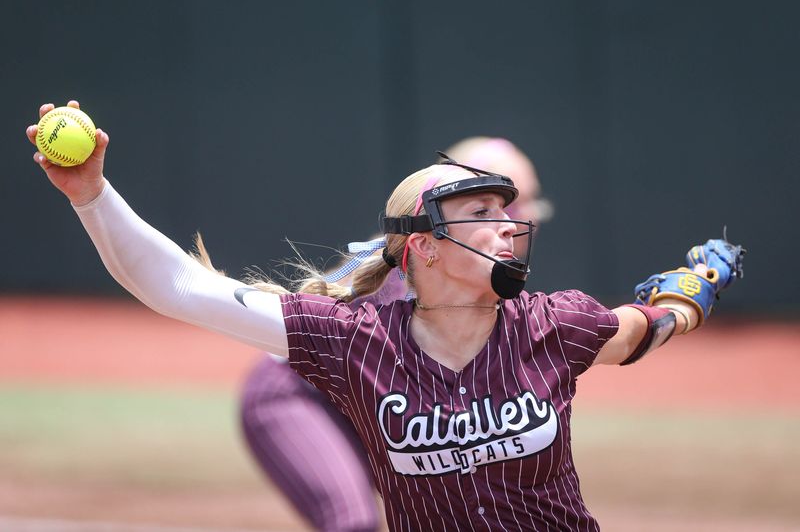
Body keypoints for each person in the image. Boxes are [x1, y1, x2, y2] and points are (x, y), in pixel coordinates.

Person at [26, 101, 744, 532]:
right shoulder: (352, 339)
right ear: (425, 249)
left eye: (510, 209)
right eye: (483, 212)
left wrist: (683, 298)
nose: (509, 224)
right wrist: (91, 194)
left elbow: (638, 329)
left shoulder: (555, 321)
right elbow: (176, 283)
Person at [238, 136, 551, 532]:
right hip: (298, 393)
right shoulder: (403, 255)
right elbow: (320, 295)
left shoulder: (487, 273)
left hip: (372, 407)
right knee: (352, 520)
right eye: (484, 205)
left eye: (518, 203)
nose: (514, 217)